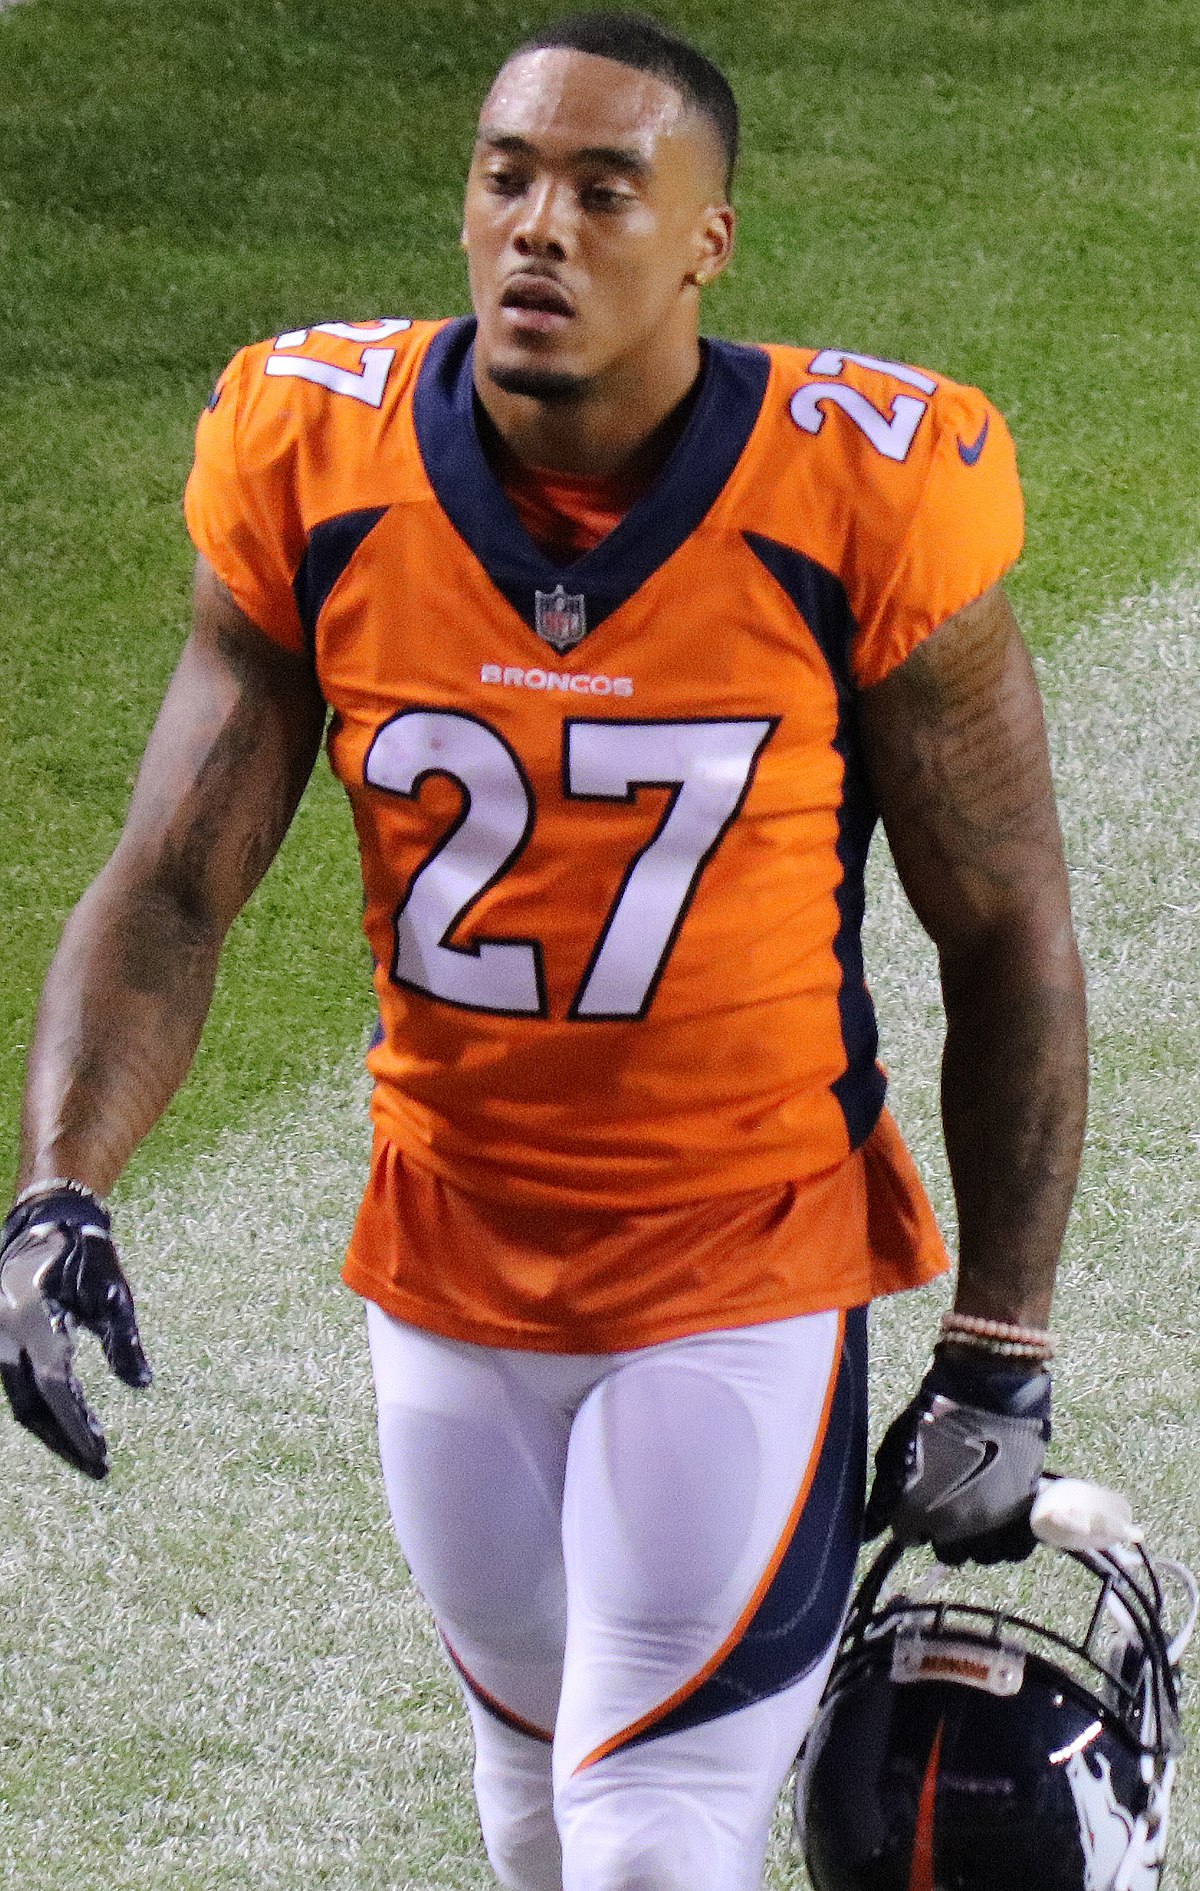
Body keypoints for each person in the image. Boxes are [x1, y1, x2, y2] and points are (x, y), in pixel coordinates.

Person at [0, 13, 1087, 1891]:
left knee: (652, 1840)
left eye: (605, 190)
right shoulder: (312, 451)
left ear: (707, 241)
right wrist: (55, 1189)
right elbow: (174, 884)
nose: (541, 230)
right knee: (528, 1812)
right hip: (444, 1258)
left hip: (737, 1263)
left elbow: (1006, 931)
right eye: (507, 178)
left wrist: (1000, 1337)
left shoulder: (864, 489)